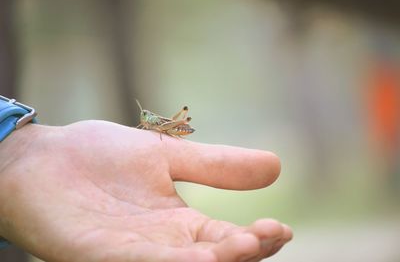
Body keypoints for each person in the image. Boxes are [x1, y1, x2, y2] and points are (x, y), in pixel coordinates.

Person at [0, 97, 292, 262]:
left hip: (173, 128)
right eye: (144, 117)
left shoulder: (155, 124)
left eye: (145, 116)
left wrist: (14, 147)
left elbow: (157, 126)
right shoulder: (146, 124)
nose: (144, 118)